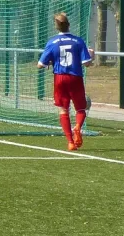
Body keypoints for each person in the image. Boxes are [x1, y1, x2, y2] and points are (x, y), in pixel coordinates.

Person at [37, 12, 94, 151]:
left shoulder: (52, 42)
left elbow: (40, 65)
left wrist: (51, 61)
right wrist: (92, 56)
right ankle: (78, 127)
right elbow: (86, 63)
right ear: (69, 25)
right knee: (81, 107)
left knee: (63, 109)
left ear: (56, 26)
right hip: (75, 77)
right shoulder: (78, 41)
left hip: (60, 78)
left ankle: (70, 142)